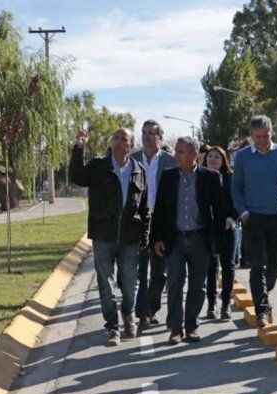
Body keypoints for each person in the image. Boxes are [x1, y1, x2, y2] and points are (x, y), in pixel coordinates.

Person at [69, 128, 150, 346]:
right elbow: (76, 176)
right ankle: (113, 327)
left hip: (130, 238)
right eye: (115, 138)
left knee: (130, 282)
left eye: (123, 139)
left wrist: (144, 236)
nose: (118, 141)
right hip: (104, 235)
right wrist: (79, 148)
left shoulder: (138, 170)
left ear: (130, 146)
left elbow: (144, 208)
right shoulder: (98, 166)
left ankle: (128, 313)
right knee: (105, 282)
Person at [150, 137, 225, 345]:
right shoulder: (168, 176)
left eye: (181, 152)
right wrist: (156, 238)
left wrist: (218, 241)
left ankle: (191, 326)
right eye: (176, 151)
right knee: (175, 282)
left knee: (198, 285)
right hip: (174, 239)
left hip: (199, 238)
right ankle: (175, 328)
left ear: (193, 154)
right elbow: (160, 209)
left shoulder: (210, 177)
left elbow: (219, 212)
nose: (176, 155)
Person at [232, 115, 277, 327]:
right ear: (251, 136)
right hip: (253, 218)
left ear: (271, 133)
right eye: (258, 137)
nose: (262, 141)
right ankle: (262, 311)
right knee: (257, 265)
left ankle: (263, 294)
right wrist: (244, 213)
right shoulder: (243, 157)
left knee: (275, 265)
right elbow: (236, 188)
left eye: (266, 136)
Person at [130, 120, 176, 330]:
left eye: (151, 133)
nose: (147, 137)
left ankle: (152, 308)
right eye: (144, 133)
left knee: (160, 271)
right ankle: (143, 313)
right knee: (139, 270)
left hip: (161, 223)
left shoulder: (170, 161)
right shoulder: (132, 160)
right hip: (138, 221)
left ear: (160, 137)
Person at [203, 145, 240, 320]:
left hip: (228, 228)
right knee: (211, 267)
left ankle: (226, 304)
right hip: (209, 229)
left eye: (217, 157)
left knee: (228, 266)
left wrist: (232, 219)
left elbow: (239, 201)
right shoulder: (200, 177)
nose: (212, 159)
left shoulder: (231, 178)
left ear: (223, 160)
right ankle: (212, 304)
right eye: (210, 156)